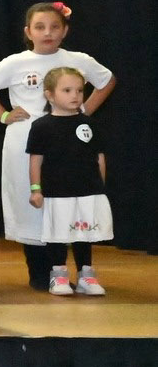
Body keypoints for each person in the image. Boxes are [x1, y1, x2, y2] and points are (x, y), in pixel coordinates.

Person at [0, 1, 114, 289]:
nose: (47, 33)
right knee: (32, 204)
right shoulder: (15, 63)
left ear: (64, 31)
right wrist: (4, 115)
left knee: (70, 201)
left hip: (69, 145)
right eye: (40, 27)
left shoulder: (77, 60)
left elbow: (107, 80)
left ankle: (78, 269)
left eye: (54, 27)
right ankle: (40, 270)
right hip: (27, 141)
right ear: (28, 32)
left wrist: (84, 110)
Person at [26, 66, 113, 296]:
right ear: (49, 95)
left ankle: (86, 275)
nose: (75, 95)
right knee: (59, 234)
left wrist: (100, 187)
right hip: (57, 193)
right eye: (67, 90)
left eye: (79, 90)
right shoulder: (41, 127)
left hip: (88, 191)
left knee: (84, 234)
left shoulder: (90, 124)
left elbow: (99, 157)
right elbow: (35, 161)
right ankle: (59, 275)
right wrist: (36, 189)